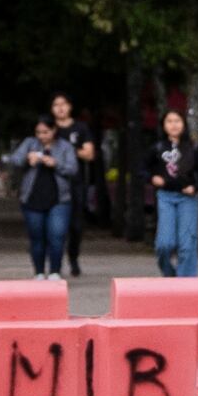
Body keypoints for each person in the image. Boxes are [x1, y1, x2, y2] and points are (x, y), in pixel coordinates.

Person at [12, 99, 74, 276]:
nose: (42, 135)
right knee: (37, 238)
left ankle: (55, 271)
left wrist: (55, 163)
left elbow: (73, 169)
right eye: (38, 132)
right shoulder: (30, 143)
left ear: (54, 130)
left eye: (46, 132)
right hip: (32, 199)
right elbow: (15, 160)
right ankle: (39, 272)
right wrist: (27, 159)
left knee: (57, 236)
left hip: (59, 200)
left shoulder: (64, 147)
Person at [147, 108, 198, 278]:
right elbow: (143, 169)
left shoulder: (194, 147)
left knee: (186, 245)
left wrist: (196, 187)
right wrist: (152, 178)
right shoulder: (157, 147)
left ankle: (185, 285)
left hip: (188, 198)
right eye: (169, 121)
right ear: (163, 125)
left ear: (184, 124)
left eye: (177, 121)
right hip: (165, 196)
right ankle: (170, 275)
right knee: (164, 244)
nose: (174, 125)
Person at [65, 114, 107, 278]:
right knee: (55, 228)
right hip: (52, 185)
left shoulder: (80, 128)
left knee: (76, 225)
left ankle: (73, 257)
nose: (60, 108)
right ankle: (51, 266)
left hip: (76, 182)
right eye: (56, 104)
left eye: (63, 104)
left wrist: (67, 150)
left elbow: (89, 154)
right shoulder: (50, 128)